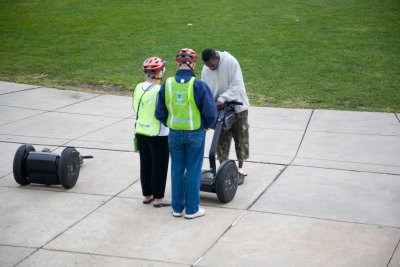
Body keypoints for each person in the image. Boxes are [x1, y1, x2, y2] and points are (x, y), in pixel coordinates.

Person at [155, 48, 217, 219]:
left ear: (178, 63)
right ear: (193, 63)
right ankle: (191, 210)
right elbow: (211, 113)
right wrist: (206, 126)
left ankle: (177, 208)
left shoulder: (167, 84)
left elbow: (159, 112)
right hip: (195, 133)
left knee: (176, 169)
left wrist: (170, 123)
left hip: (174, 134)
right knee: (193, 171)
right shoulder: (198, 85)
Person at [201, 48, 250, 185]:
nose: (210, 68)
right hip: (219, 108)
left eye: (212, 65)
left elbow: (237, 85)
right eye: (207, 66)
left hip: (238, 107)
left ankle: (241, 170)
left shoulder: (231, 62)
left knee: (241, 138)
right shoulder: (205, 70)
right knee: (221, 140)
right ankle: (223, 169)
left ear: (217, 57)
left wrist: (223, 98)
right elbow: (206, 88)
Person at [133, 57, 170, 208]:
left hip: (140, 131)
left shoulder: (138, 87)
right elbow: (164, 111)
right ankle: (159, 198)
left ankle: (147, 195)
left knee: (145, 163)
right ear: (158, 72)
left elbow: (136, 108)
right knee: (159, 166)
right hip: (158, 133)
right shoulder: (160, 90)